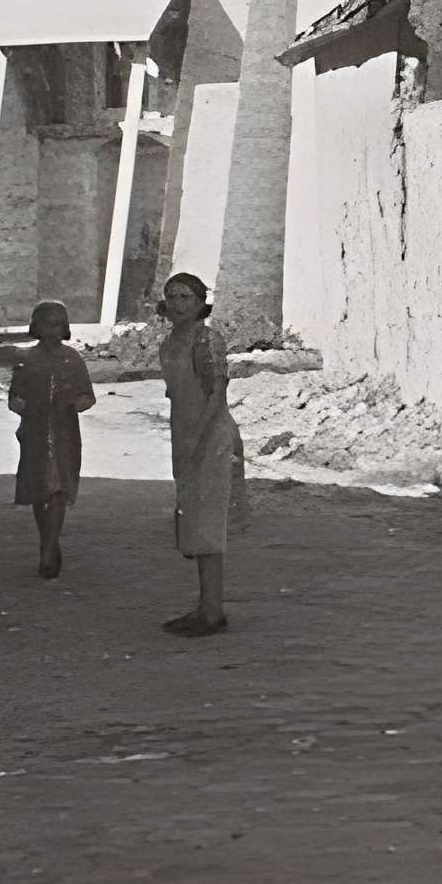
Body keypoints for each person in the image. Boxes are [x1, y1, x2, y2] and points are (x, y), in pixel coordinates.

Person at [156, 269, 251, 636]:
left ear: (200, 304)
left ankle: (213, 612)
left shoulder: (207, 340)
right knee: (193, 520)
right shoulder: (168, 345)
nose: (178, 304)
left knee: (208, 522)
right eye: (173, 296)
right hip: (184, 436)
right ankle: (204, 606)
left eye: (186, 297)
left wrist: (197, 439)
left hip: (211, 440)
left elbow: (216, 394)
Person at [7, 300, 95, 580]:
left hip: (65, 433)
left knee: (58, 488)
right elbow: (14, 397)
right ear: (35, 326)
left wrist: (76, 402)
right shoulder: (26, 360)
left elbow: (88, 396)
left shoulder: (73, 359)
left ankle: (48, 549)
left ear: (66, 327)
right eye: (46, 323)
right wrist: (24, 405)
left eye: (58, 323)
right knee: (39, 489)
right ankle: (48, 541)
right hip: (34, 432)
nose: (52, 329)